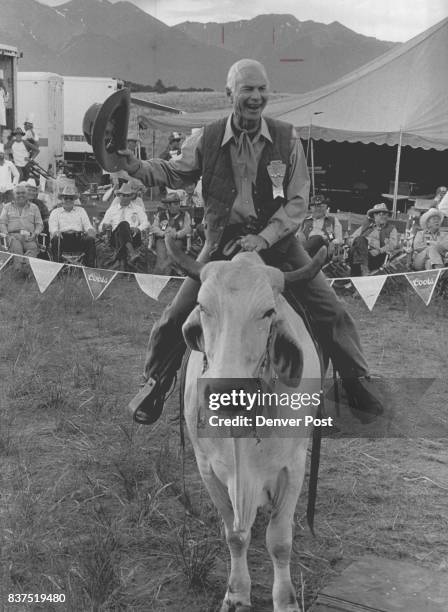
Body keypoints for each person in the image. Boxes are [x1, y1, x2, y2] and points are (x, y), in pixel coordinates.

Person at [116, 58, 384, 425]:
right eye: (247, 89)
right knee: (174, 317)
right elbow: (174, 172)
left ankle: (357, 383)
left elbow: (297, 201)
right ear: (230, 95)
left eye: (262, 89)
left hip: (280, 245)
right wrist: (136, 168)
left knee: (331, 311)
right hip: (220, 247)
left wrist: (265, 236)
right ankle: (155, 384)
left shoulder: (287, 139)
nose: (256, 97)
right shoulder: (206, 139)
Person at [99, 181, 149, 267]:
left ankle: (122, 263)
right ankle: (132, 253)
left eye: (128, 195)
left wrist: (138, 229)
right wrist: (105, 226)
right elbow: (100, 227)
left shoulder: (138, 209)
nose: (125, 198)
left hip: (133, 236)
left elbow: (146, 223)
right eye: (123, 195)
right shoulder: (112, 210)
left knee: (125, 227)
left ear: (131, 196)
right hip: (115, 238)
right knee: (123, 224)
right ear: (119, 196)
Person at [48, 185, 96, 266]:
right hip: (63, 239)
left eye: (71, 198)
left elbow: (87, 226)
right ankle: (57, 268)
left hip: (78, 238)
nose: (68, 200)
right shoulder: (55, 212)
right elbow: (53, 228)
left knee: (90, 239)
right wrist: (56, 232)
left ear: (74, 200)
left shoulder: (81, 210)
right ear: (61, 199)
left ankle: (90, 269)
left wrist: (90, 231)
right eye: (66, 198)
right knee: (56, 239)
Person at [0, 182, 43, 269]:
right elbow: (2, 223)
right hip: (12, 236)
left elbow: (39, 224)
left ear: (27, 194)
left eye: (23, 193)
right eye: (18, 193)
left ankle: (26, 269)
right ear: (13, 194)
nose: (21, 195)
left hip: (29, 236)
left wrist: (35, 234)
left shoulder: (34, 207)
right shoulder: (7, 207)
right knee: (17, 247)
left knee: (33, 248)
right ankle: (18, 271)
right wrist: (7, 236)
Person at [349, 203, 399, 276]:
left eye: (385, 214)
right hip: (359, 255)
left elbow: (392, 245)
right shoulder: (366, 227)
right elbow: (352, 238)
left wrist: (379, 250)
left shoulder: (391, 229)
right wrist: (363, 245)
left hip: (376, 257)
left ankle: (361, 270)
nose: (383, 216)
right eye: (379, 214)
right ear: (374, 216)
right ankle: (363, 268)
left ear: (387, 216)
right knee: (360, 240)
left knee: (360, 240)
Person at [151, 192, 192, 274]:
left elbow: (188, 228)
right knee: (161, 256)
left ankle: (160, 271)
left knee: (171, 254)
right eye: (175, 204)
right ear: (168, 205)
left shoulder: (185, 215)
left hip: (177, 240)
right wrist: (163, 233)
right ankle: (164, 275)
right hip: (162, 239)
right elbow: (154, 228)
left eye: (178, 203)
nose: (178, 205)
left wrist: (177, 234)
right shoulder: (160, 214)